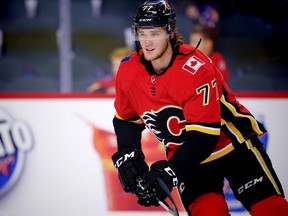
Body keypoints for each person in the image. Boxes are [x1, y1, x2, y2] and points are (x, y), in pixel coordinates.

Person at [111, 1, 288, 216]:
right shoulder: (129, 70)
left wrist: (169, 171)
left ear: (171, 32)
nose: (147, 41)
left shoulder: (195, 68)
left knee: (271, 210)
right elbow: (126, 119)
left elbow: (204, 136)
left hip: (234, 147)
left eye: (155, 33)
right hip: (190, 162)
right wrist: (129, 154)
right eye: (143, 33)